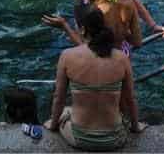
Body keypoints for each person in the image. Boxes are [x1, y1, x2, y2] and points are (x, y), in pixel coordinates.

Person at [47, 10, 140, 151]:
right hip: (115, 137)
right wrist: (135, 127)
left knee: (66, 110)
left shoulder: (67, 56)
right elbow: (130, 98)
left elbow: (58, 98)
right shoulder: (121, 58)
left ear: (83, 30)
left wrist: (53, 126)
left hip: (79, 137)